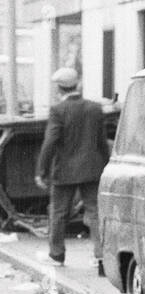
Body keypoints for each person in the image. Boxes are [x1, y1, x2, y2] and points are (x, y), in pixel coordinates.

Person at [34, 68, 112, 275]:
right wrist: (106, 165)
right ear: (78, 85)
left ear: (59, 88)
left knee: (58, 213)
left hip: (65, 171)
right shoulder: (95, 108)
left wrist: (41, 171)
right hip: (92, 169)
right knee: (95, 212)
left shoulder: (58, 110)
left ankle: (57, 255)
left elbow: (50, 142)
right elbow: (102, 142)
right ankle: (101, 257)